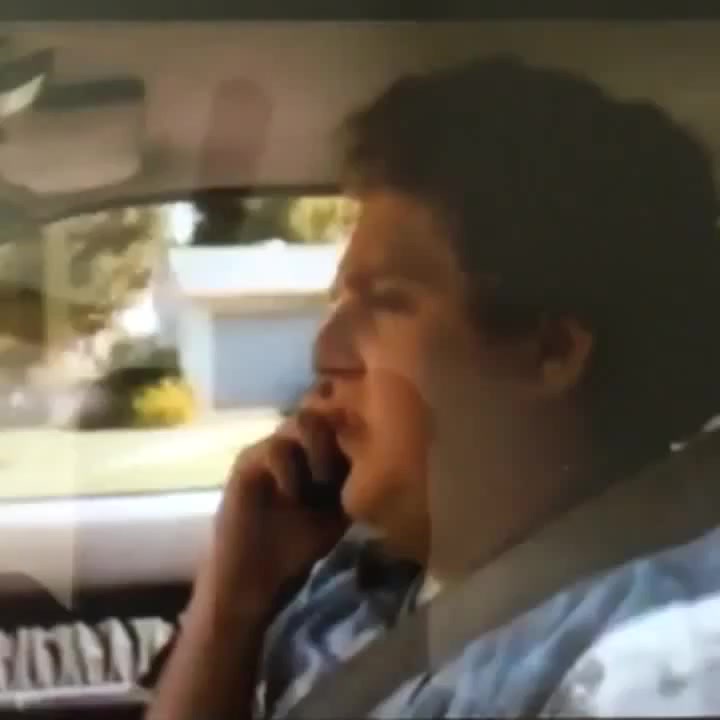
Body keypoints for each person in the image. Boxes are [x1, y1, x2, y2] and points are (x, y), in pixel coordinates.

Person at [147, 56, 720, 719]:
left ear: (551, 352)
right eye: (338, 303)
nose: (325, 351)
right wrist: (232, 605)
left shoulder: (648, 662)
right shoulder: (353, 580)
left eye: (386, 301)